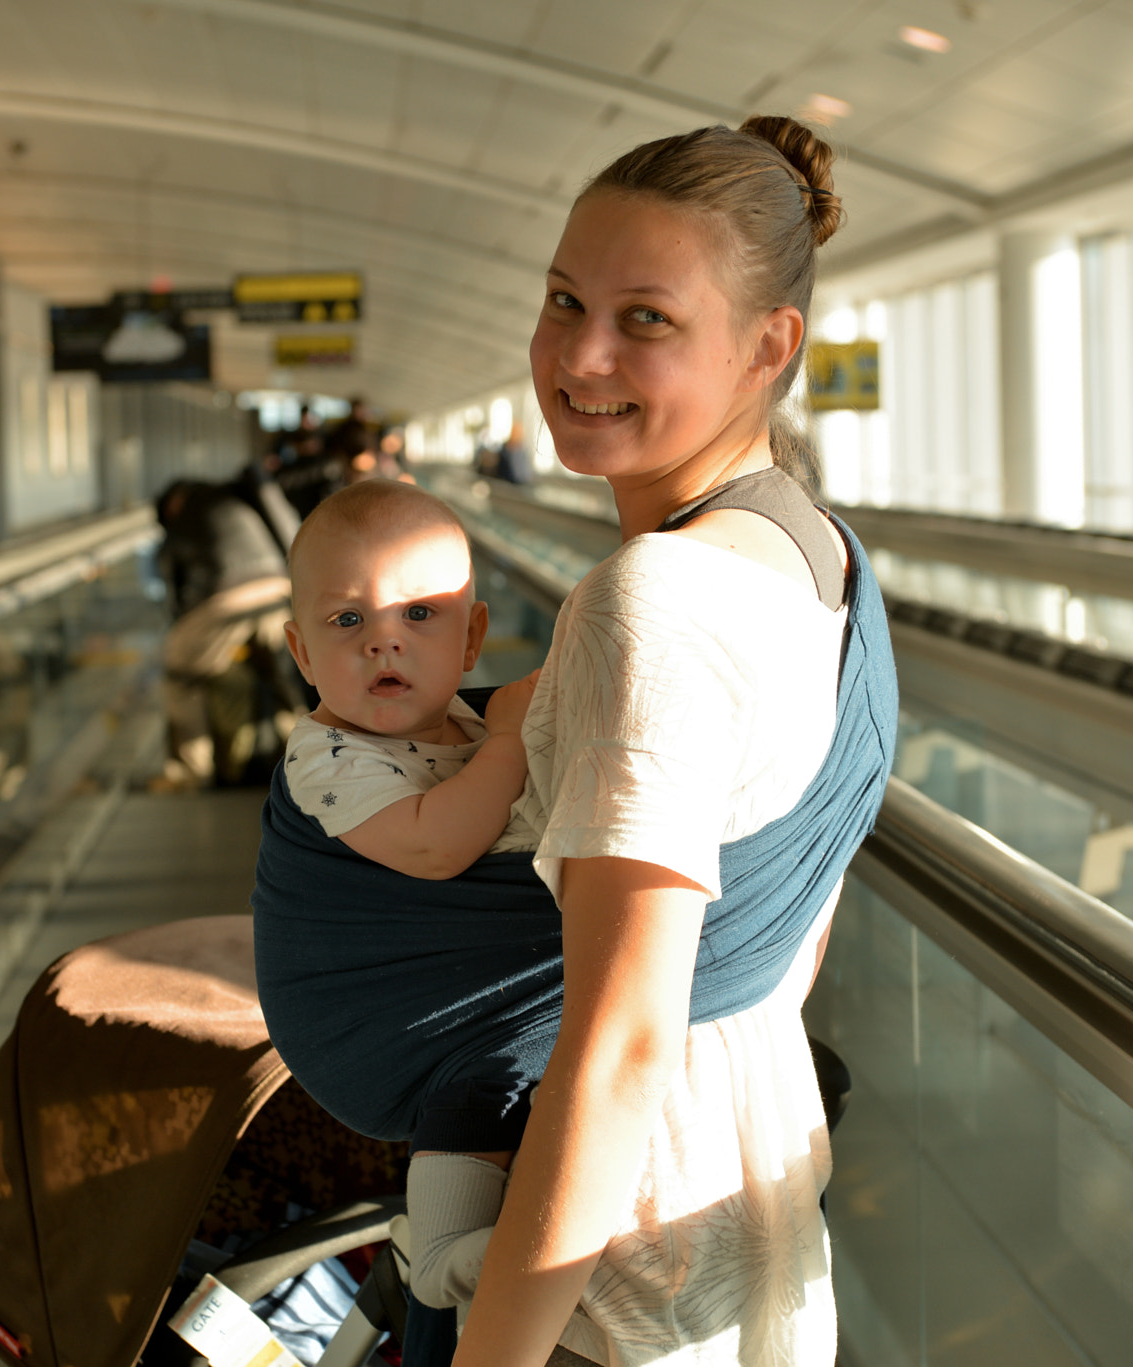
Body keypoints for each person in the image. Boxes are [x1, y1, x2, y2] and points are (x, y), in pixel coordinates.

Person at [252, 115, 893, 1367]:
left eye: (644, 317)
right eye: (562, 299)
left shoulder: (647, 603)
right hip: (734, 1196)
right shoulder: (824, 561)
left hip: (596, 1282)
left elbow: (619, 1046)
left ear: (771, 346)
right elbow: (784, 932)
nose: (579, 353)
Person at [274, 478, 544, 1310]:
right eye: (348, 620)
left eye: (419, 615)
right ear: (301, 652)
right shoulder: (326, 755)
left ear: (473, 636)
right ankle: (442, 1250)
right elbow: (435, 844)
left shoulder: (463, 723)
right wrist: (510, 740)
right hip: (383, 1022)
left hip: (481, 1001)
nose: (383, 643)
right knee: (473, 1090)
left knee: (507, 1072)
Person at [154, 466, 303, 786]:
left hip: (222, 597)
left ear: (170, 504)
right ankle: (306, 765)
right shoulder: (236, 498)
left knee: (182, 678)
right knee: (283, 678)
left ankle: (189, 774)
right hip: (276, 589)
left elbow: (174, 589)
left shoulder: (183, 515)